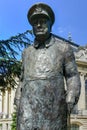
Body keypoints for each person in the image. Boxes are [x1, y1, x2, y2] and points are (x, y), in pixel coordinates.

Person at [15, 3, 81, 130]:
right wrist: (18, 100)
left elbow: (72, 76)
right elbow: (22, 80)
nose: (39, 25)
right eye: (35, 22)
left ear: (50, 23)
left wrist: (70, 98)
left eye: (43, 21)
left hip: (54, 108)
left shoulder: (63, 48)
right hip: (27, 109)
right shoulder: (26, 52)